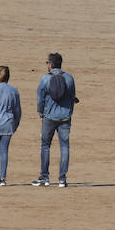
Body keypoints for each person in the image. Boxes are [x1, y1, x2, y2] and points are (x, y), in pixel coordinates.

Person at [34, 53, 76, 187]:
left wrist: (41, 112)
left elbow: (40, 98)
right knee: (64, 147)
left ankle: (45, 177)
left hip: (49, 116)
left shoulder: (45, 79)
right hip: (65, 116)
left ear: (51, 65)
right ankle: (62, 179)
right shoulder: (69, 78)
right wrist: (69, 112)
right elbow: (72, 97)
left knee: (45, 146)